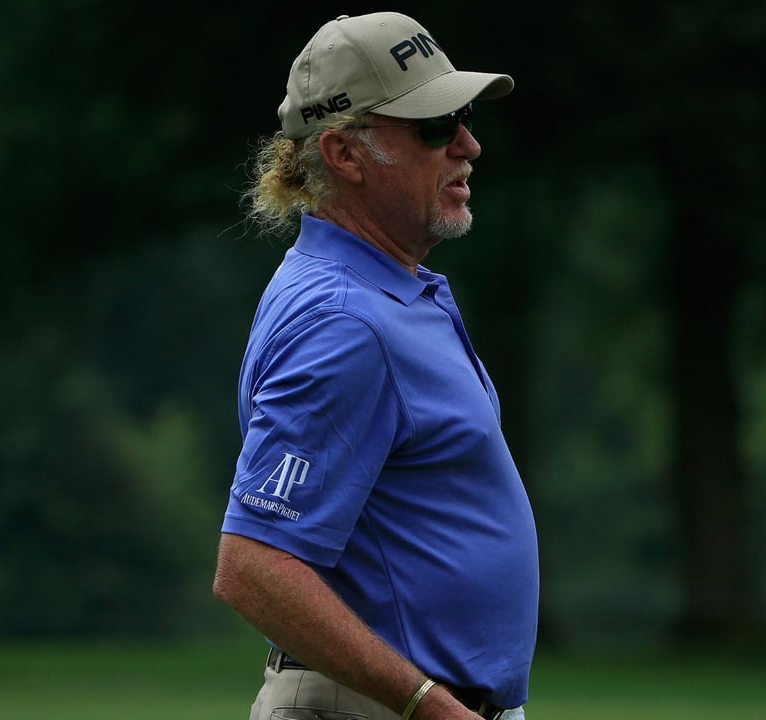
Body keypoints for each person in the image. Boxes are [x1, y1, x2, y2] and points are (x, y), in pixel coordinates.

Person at [212, 12, 539, 720]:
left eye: (465, 118)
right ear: (343, 153)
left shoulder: (381, 289)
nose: (469, 145)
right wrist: (426, 703)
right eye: (433, 125)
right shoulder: (344, 321)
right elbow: (252, 567)